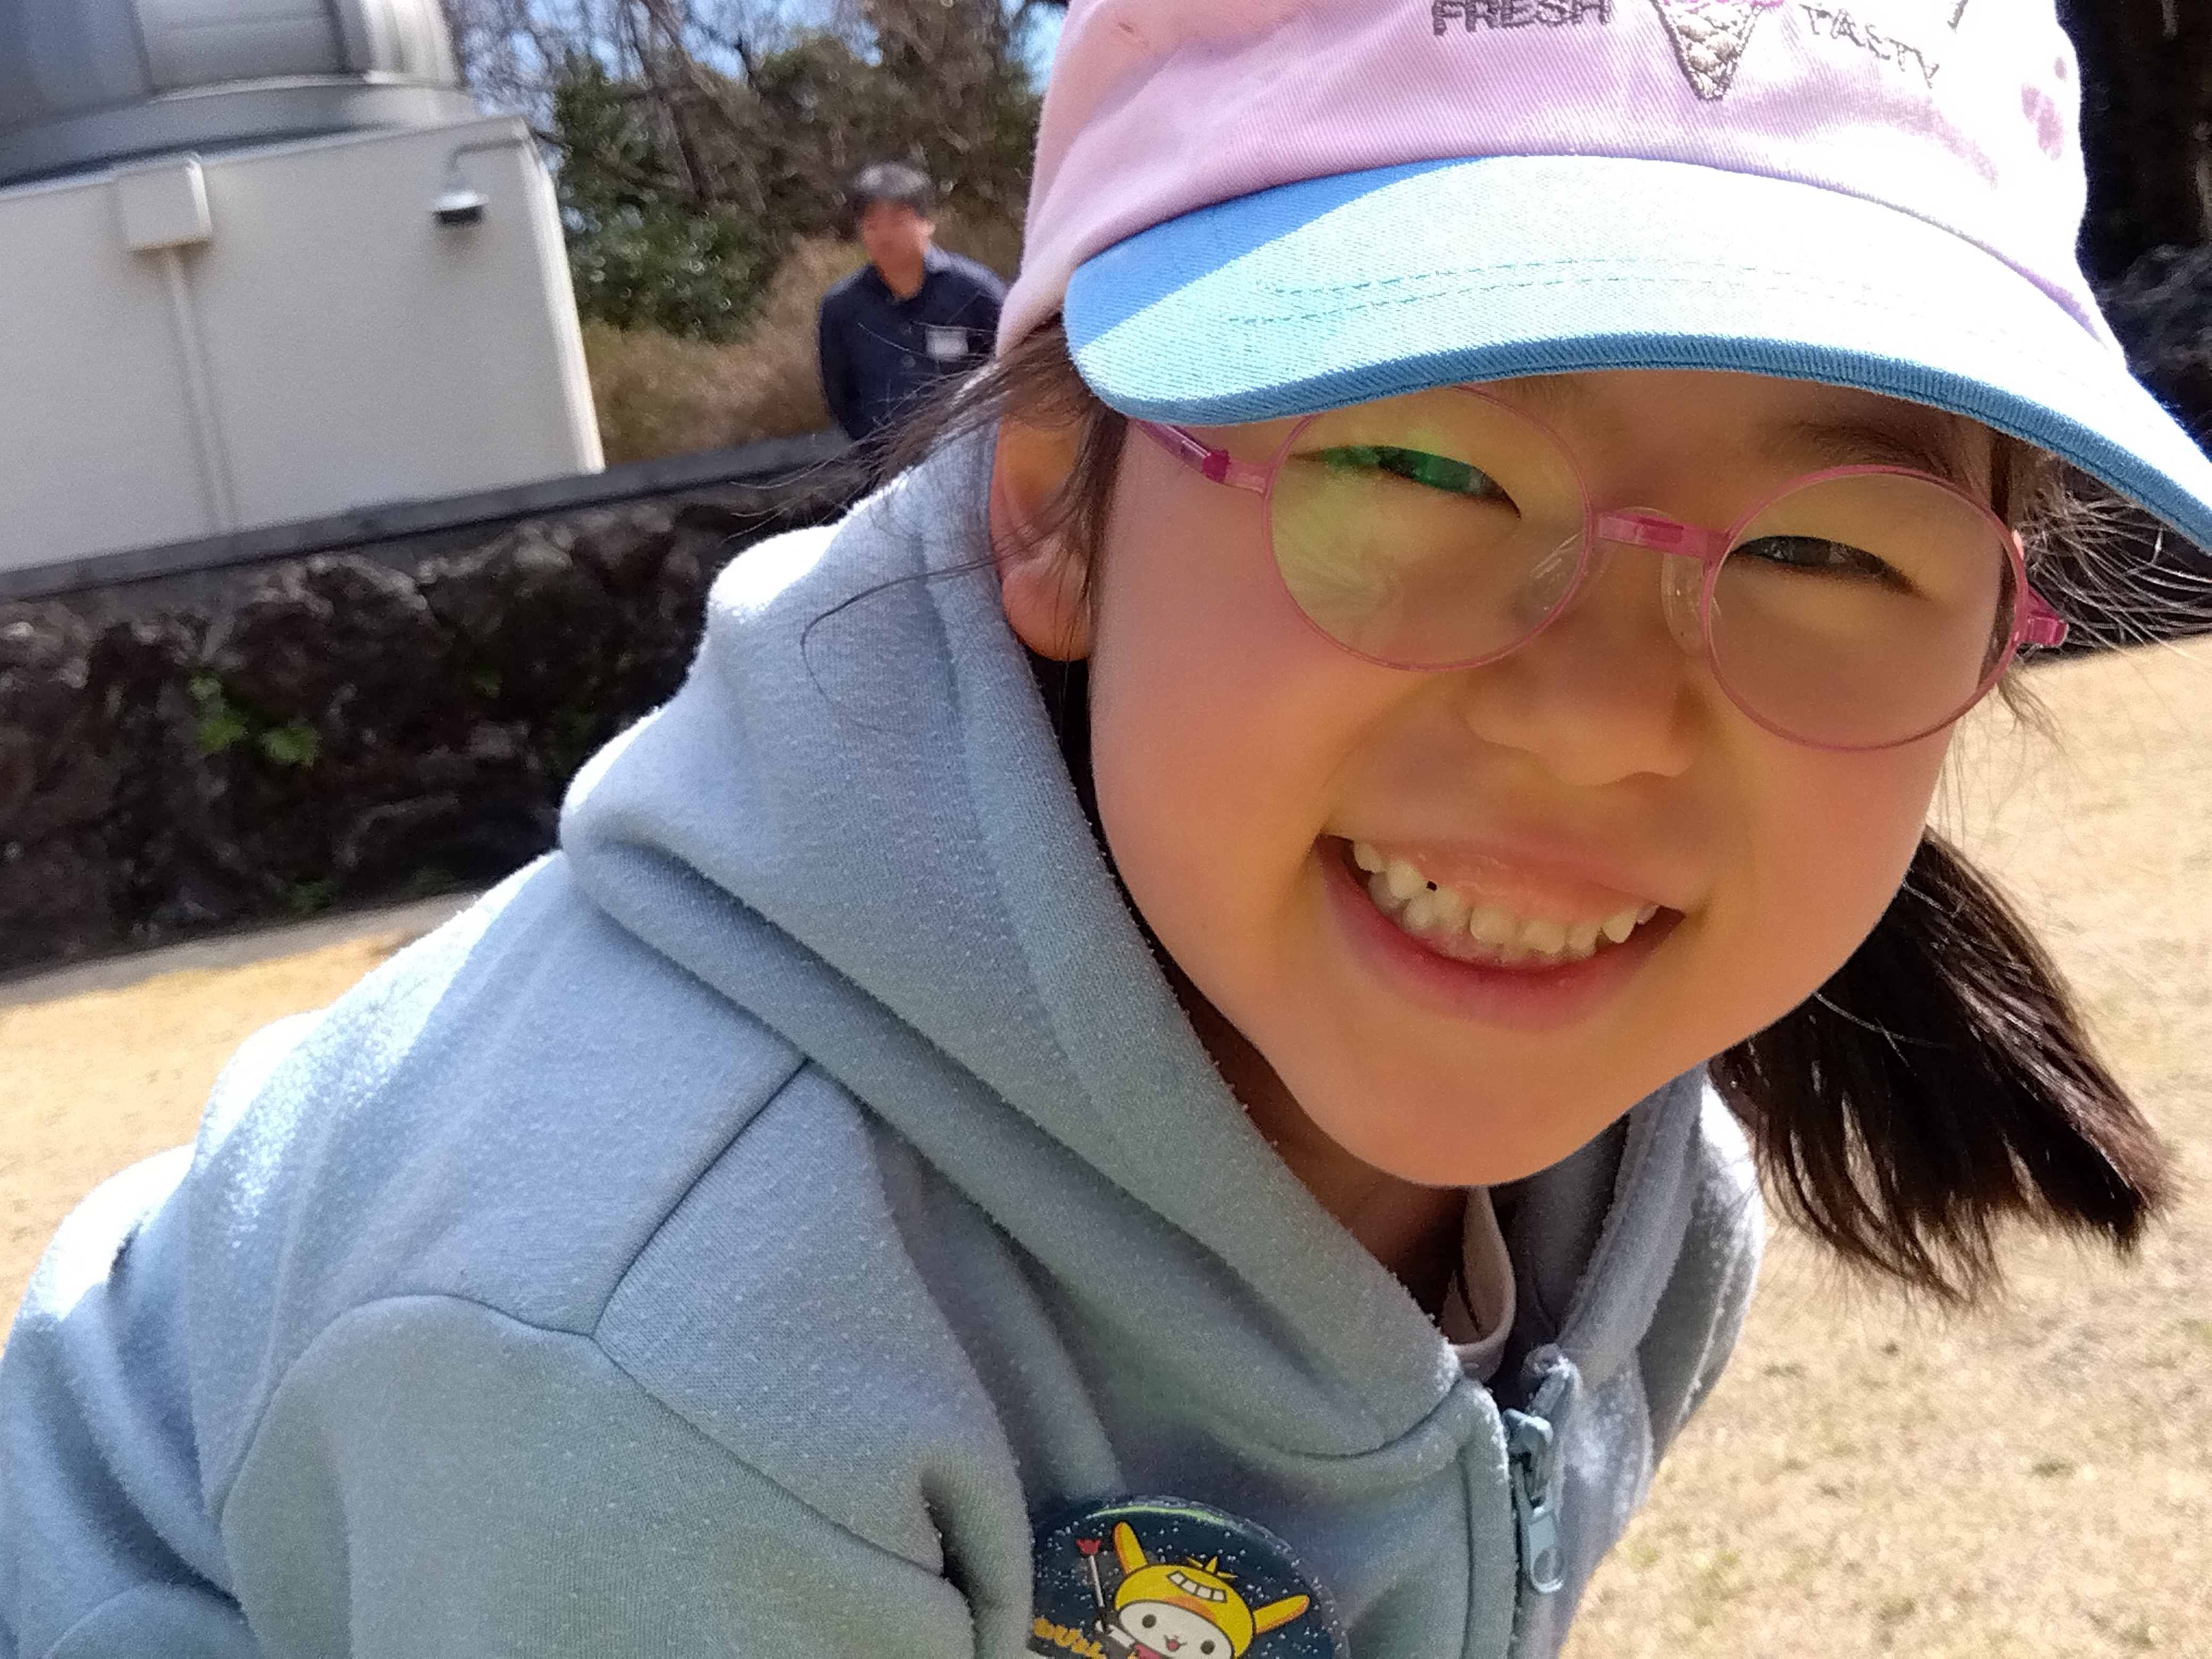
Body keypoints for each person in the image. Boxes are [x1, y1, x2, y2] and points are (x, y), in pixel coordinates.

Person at [1, 3, 2199, 1655]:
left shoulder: (1644, 1208)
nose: (1606, 725)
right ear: (1054, 503)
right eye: (1423, 471)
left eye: (1832, 554)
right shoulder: (669, 1357)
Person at [816, 161, 1006, 449]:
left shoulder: (976, 290)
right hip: (887, 463)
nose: (884, 235)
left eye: (897, 221)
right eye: (872, 224)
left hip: (973, 454)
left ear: (927, 222)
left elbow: (1010, 369)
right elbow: (840, 398)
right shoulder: (841, 307)